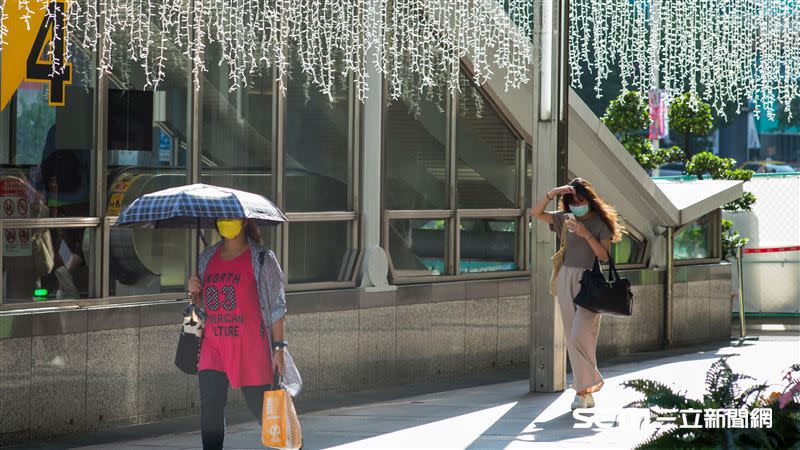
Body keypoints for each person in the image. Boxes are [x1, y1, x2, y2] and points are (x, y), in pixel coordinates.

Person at [188, 218, 288, 450]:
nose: (225, 223)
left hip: (250, 348)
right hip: (213, 346)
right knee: (210, 408)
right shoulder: (206, 258)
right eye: (221, 218)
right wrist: (195, 292)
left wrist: (279, 348)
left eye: (230, 217)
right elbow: (202, 309)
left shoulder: (262, 258)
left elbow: (276, 306)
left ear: (243, 222)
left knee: (266, 414)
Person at [530, 178, 621, 410]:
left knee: (583, 334)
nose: (577, 204)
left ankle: (583, 390)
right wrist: (555, 192)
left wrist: (585, 234)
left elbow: (603, 256)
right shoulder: (564, 219)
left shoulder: (600, 223)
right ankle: (585, 392)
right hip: (565, 279)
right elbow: (536, 212)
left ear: (589, 199)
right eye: (573, 200)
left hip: (589, 281)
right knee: (572, 336)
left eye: (581, 200)